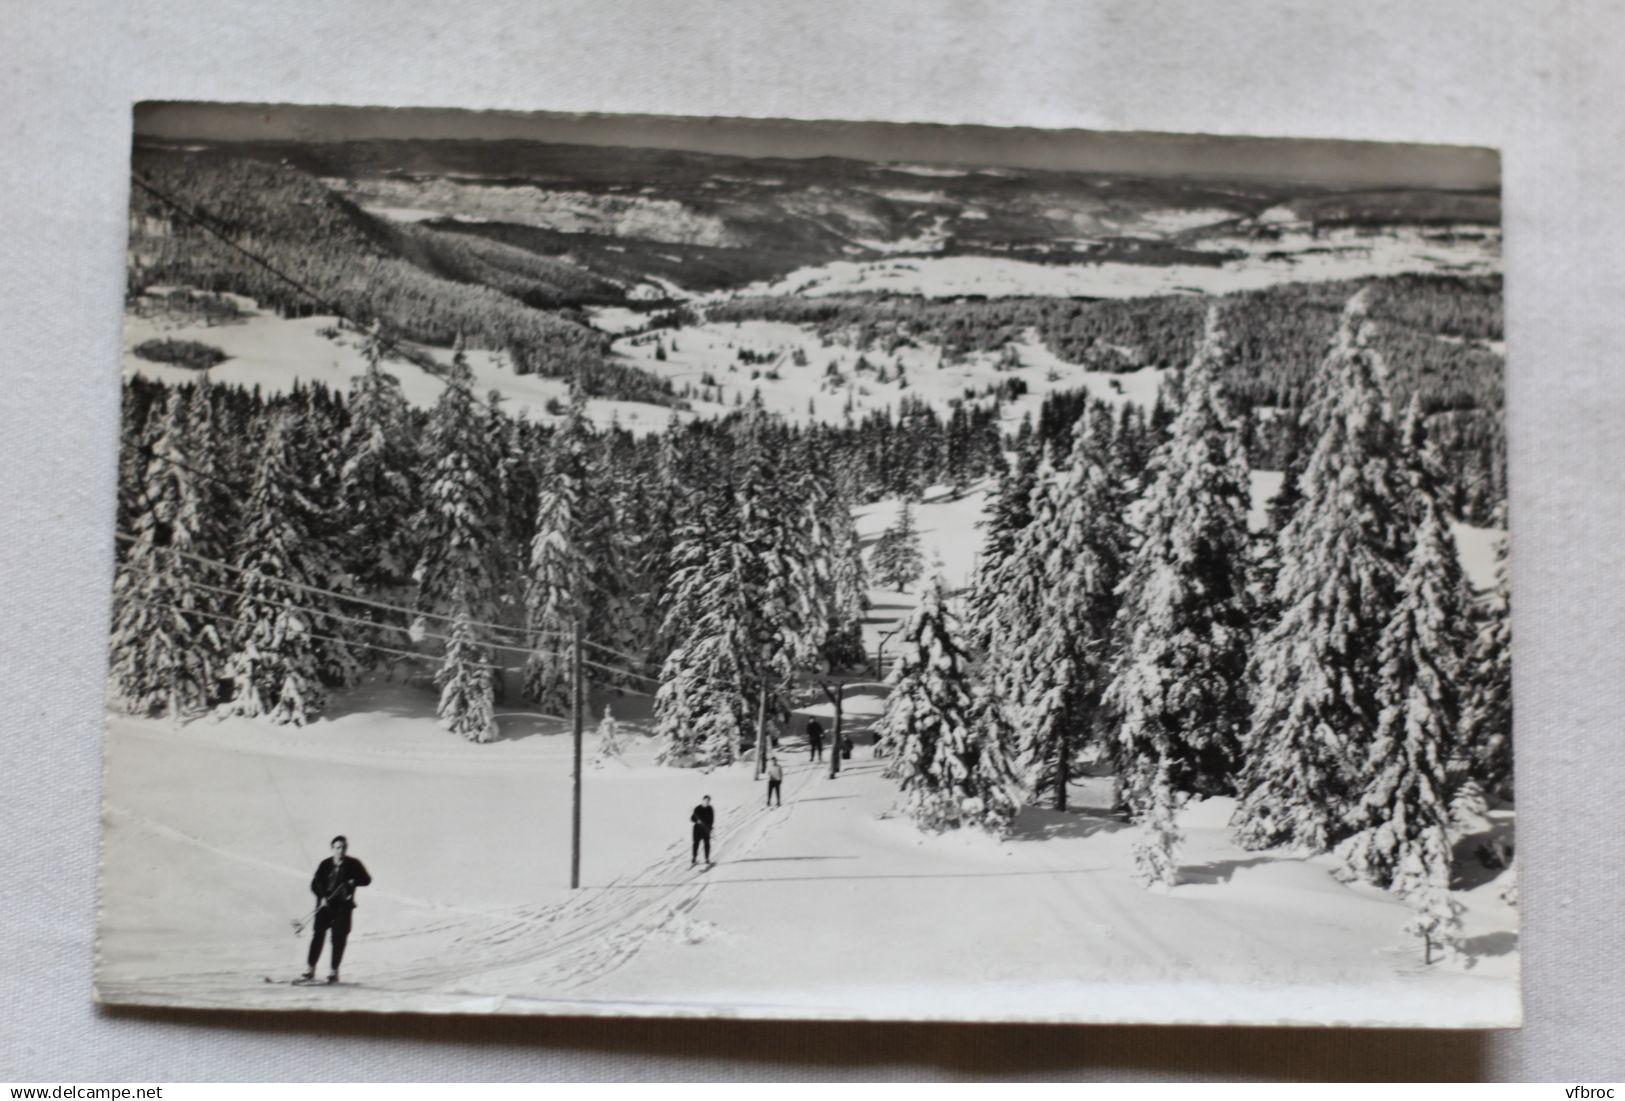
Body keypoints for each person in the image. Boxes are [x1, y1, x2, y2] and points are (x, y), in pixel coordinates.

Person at [303, 835, 372, 983]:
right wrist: (321, 897)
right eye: (338, 847)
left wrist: (354, 881)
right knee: (318, 936)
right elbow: (315, 884)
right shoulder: (325, 864)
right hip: (324, 905)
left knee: (338, 938)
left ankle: (333, 972)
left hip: (343, 907)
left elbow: (367, 879)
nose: (341, 850)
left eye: (343, 847)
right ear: (332, 849)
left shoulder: (353, 864)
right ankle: (310, 970)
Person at [690, 796, 715, 865]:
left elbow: (712, 819)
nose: (707, 802)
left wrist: (710, 828)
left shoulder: (710, 809)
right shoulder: (697, 808)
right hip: (697, 830)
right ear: (703, 800)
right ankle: (694, 858)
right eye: (706, 800)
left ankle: (707, 859)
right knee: (696, 844)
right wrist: (697, 821)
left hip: (706, 830)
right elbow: (692, 818)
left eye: (708, 801)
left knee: (707, 844)